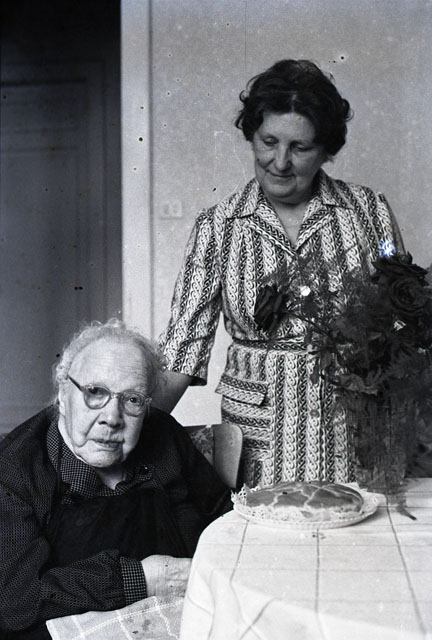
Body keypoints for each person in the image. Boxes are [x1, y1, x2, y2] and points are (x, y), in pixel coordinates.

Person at [156, 59, 404, 488]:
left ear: (326, 150)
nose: (280, 162)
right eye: (269, 141)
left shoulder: (370, 212)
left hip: (353, 436)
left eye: (300, 147)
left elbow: (403, 327)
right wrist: (126, 427)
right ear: (252, 135)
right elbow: (182, 348)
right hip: (256, 443)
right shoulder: (218, 226)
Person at [0, 320, 231, 640]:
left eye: (132, 399)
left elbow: (222, 517)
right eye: (95, 393)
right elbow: (18, 602)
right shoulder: (14, 469)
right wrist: (143, 579)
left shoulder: (164, 435)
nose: (112, 417)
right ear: (62, 395)